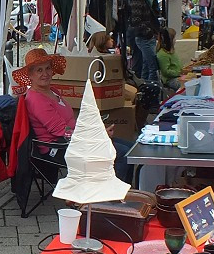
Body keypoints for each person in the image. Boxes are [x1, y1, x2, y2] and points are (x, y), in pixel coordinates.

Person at [14, 47, 132, 182]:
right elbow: (62, 131)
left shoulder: (52, 91)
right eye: (39, 70)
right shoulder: (36, 100)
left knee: (130, 148)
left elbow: (69, 123)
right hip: (59, 148)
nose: (45, 73)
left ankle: (124, 194)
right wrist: (96, 134)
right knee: (121, 153)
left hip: (73, 141)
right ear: (30, 75)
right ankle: (111, 198)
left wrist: (96, 130)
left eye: (47, 68)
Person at [129, 0, 160, 83]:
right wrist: (149, 32)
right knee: (153, 66)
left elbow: (155, 14)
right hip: (144, 37)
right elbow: (135, 20)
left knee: (147, 66)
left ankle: (144, 89)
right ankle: (152, 89)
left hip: (148, 36)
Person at [155, 27, 183, 95]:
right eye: (174, 38)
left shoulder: (171, 52)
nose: (175, 40)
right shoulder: (162, 54)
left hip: (177, 76)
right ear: (170, 40)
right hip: (170, 80)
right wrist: (178, 73)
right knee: (185, 86)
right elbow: (165, 72)